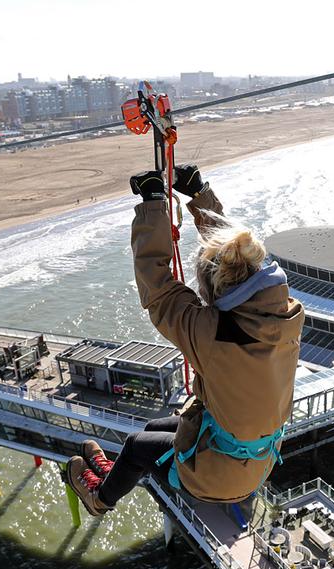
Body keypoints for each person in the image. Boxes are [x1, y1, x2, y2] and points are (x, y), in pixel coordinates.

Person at [67, 164, 304, 515]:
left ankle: (99, 499)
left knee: (136, 445)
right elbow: (238, 257)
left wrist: (153, 206)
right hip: (257, 457)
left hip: (219, 476)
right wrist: (198, 195)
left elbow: (158, 289)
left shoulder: (213, 334)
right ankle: (114, 475)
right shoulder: (288, 313)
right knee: (153, 429)